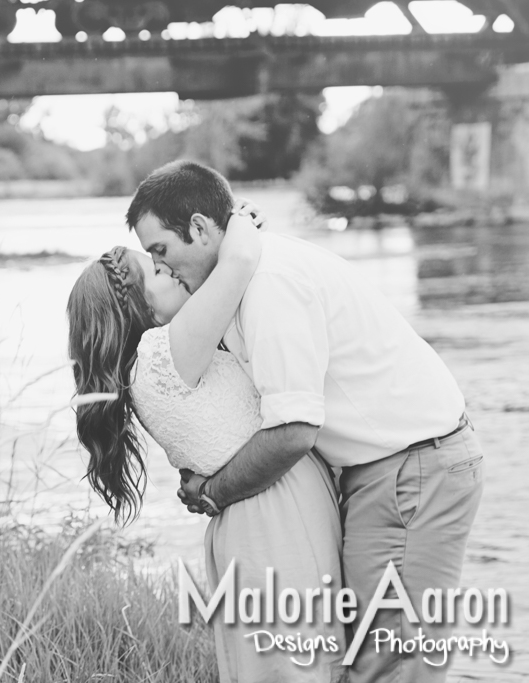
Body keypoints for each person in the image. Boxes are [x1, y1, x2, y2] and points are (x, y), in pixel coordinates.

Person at [127, 160, 484, 683]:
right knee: (365, 659)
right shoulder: (241, 278)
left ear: (200, 228)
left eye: (161, 251)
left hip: (416, 469)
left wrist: (215, 491)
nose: (163, 267)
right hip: (380, 472)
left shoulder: (270, 283)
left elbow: (294, 430)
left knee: (394, 663)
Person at [67, 209, 347, 682]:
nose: (171, 268)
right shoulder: (167, 351)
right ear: (138, 307)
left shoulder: (148, 369)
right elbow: (236, 262)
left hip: (245, 519)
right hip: (275, 516)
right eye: (156, 267)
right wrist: (235, 219)